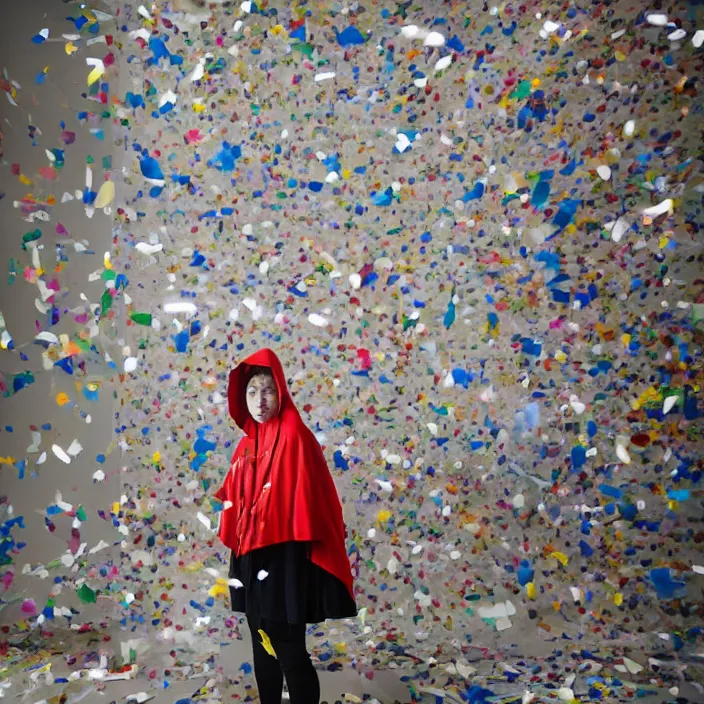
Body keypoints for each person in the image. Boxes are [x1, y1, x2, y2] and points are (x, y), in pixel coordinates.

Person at [214, 348, 357, 704]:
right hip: (249, 556)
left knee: (287, 647)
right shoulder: (247, 443)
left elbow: (310, 504)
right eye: (251, 392)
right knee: (261, 644)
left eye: (268, 390)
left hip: (283, 558)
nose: (260, 400)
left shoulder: (294, 434)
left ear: (281, 391)